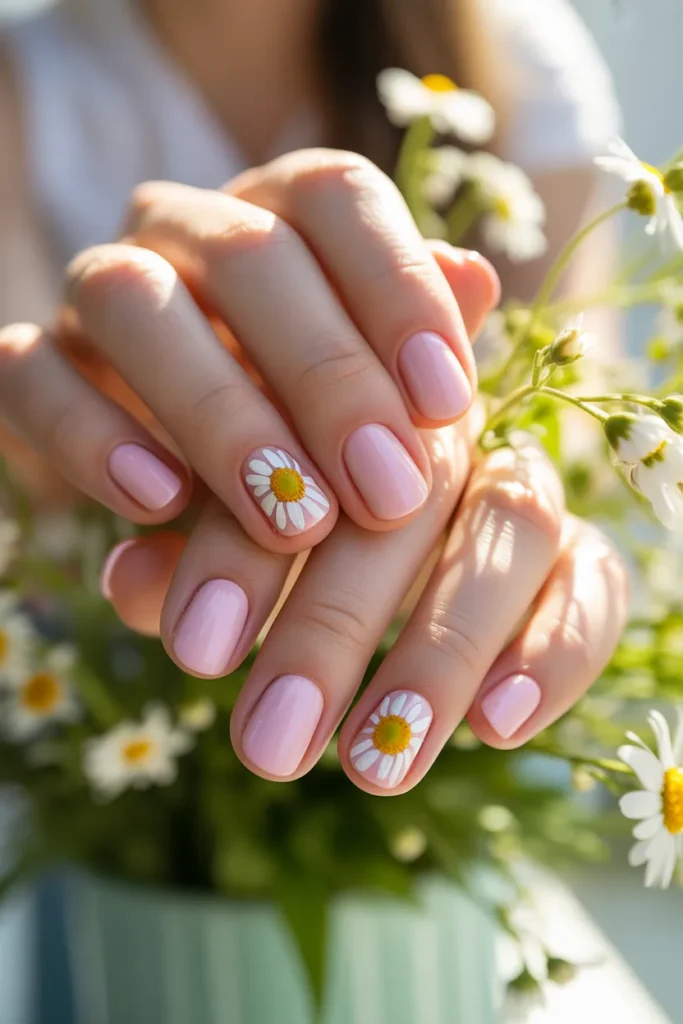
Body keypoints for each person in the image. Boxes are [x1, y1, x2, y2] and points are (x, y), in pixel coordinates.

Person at [0, 0, 628, 795]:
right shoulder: (23, 85)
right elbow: (31, 511)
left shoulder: (519, 62)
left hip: (451, 790)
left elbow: (572, 425)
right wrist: (58, 468)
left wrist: (498, 487)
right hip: (85, 757)